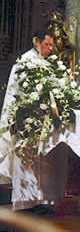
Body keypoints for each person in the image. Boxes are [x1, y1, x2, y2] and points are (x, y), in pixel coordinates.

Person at [0, 30, 55, 185]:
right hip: (25, 115)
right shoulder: (25, 61)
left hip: (42, 116)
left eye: (52, 45)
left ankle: (34, 196)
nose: (50, 49)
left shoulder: (45, 62)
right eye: (47, 44)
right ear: (36, 42)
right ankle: (23, 193)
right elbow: (17, 91)